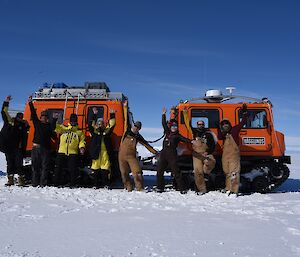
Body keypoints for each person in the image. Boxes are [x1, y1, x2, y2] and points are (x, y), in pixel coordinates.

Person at [118, 100, 157, 192]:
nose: (136, 128)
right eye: (135, 126)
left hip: (131, 156)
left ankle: (139, 188)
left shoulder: (138, 136)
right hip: (121, 156)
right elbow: (126, 119)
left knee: (137, 172)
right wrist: (125, 107)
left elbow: (147, 145)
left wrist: (155, 152)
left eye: (138, 127)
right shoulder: (126, 131)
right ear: (133, 126)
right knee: (124, 173)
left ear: (139, 129)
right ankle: (128, 187)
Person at [156, 107, 192, 193]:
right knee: (160, 171)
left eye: (175, 126)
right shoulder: (167, 133)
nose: (174, 127)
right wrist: (163, 114)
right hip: (163, 154)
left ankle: (182, 189)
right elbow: (164, 123)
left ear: (177, 128)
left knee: (176, 172)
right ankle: (160, 188)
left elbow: (186, 140)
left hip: (172, 155)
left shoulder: (178, 136)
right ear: (171, 127)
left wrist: (192, 141)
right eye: (173, 126)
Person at [183, 109, 216, 194]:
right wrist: (185, 113)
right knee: (198, 172)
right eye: (199, 124)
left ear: (204, 125)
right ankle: (202, 189)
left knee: (211, 161)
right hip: (196, 155)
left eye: (202, 124)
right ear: (197, 125)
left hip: (205, 153)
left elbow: (212, 145)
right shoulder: (194, 132)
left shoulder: (208, 134)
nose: (200, 125)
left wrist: (208, 152)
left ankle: (205, 172)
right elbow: (188, 125)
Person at [217, 103, 248, 195]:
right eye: (223, 124)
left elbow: (243, 122)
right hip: (225, 156)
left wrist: (244, 113)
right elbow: (219, 137)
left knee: (234, 173)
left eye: (226, 123)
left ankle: (234, 191)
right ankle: (228, 188)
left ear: (229, 124)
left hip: (234, 156)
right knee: (227, 173)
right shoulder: (223, 134)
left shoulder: (235, 129)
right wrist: (218, 128)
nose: (225, 125)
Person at [0, 95, 29, 186]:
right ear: (16, 117)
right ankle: (10, 180)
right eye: (18, 118)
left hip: (17, 148)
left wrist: (26, 125)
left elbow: (24, 136)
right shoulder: (9, 122)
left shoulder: (22, 126)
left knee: (19, 164)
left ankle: (21, 180)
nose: (19, 119)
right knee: (10, 163)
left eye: (21, 118)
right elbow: (3, 112)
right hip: (8, 147)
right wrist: (6, 101)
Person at [28, 96, 56, 187]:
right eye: (42, 116)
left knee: (45, 167)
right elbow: (33, 114)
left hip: (46, 149)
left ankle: (43, 184)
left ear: (47, 118)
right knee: (35, 167)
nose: (43, 118)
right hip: (36, 148)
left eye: (45, 117)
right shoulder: (37, 123)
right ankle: (35, 183)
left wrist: (55, 120)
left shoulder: (49, 126)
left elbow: (54, 136)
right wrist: (30, 103)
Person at [53, 113, 86, 187]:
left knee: (73, 169)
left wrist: (82, 147)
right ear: (70, 121)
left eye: (74, 121)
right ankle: (56, 183)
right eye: (72, 121)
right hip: (61, 152)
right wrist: (55, 119)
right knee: (58, 168)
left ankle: (72, 184)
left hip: (73, 153)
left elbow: (82, 141)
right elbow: (55, 127)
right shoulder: (63, 128)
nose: (73, 122)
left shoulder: (79, 132)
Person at [88, 107, 116, 188]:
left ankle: (106, 184)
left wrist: (112, 114)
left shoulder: (106, 131)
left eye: (102, 124)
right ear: (97, 124)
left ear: (104, 124)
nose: (100, 125)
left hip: (105, 153)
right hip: (96, 153)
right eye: (99, 124)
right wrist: (94, 115)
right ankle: (95, 185)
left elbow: (112, 124)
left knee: (105, 170)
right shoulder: (94, 132)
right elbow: (90, 124)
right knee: (95, 170)